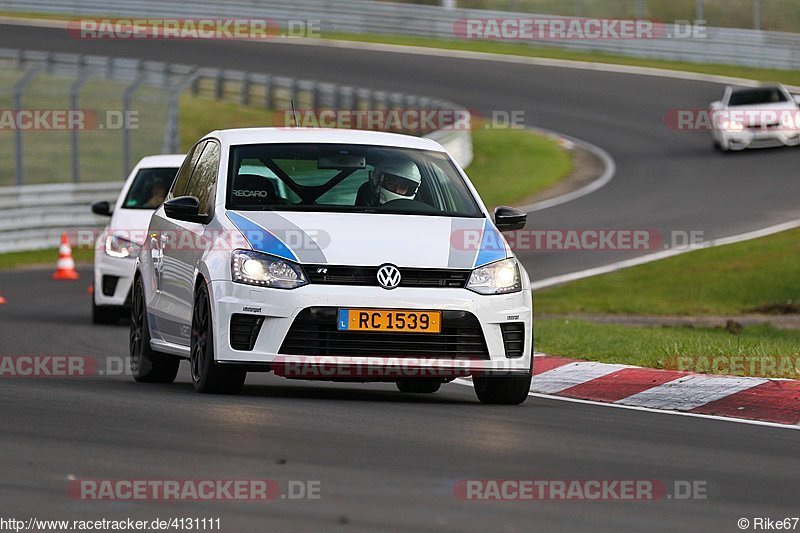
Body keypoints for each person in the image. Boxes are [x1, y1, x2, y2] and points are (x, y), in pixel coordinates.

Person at [356, 156, 422, 207]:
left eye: (403, 187)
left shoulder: (415, 213)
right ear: (379, 180)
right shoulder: (367, 195)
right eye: (391, 183)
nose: (397, 190)